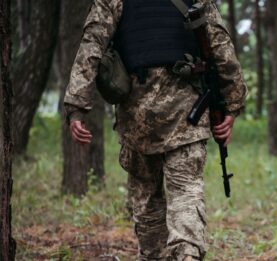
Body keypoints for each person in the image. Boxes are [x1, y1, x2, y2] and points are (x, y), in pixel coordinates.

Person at [63, 0, 247, 260]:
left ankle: (154, 256)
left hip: (137, 116)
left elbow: (91, 47)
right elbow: (221, 48)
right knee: (185, 193)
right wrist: (233, 104)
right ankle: (187, 255)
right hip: (186, 113)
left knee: (147, 200)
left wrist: (77, 107)